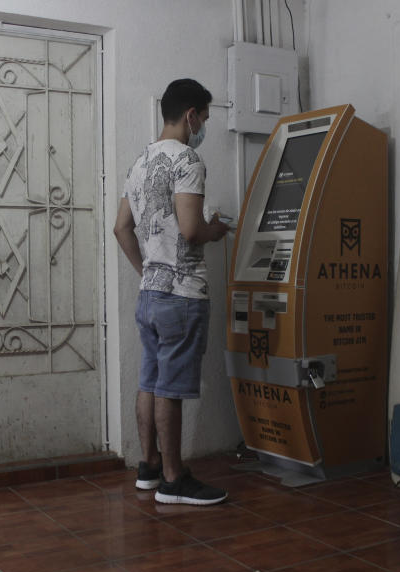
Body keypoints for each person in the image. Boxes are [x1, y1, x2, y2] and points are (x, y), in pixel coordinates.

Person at [113, 78, 231, 506]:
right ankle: (174, 479)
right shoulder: (188, 160)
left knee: (150, 380)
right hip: (181, 293)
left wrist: (147, 271)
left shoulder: (140, 161)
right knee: (171, 389)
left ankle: (148, 468)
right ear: (191, 115)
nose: (203, 127)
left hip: (151, 293)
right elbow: (190, 229)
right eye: (205, 118)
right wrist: (215, 231)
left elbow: (120, 227)